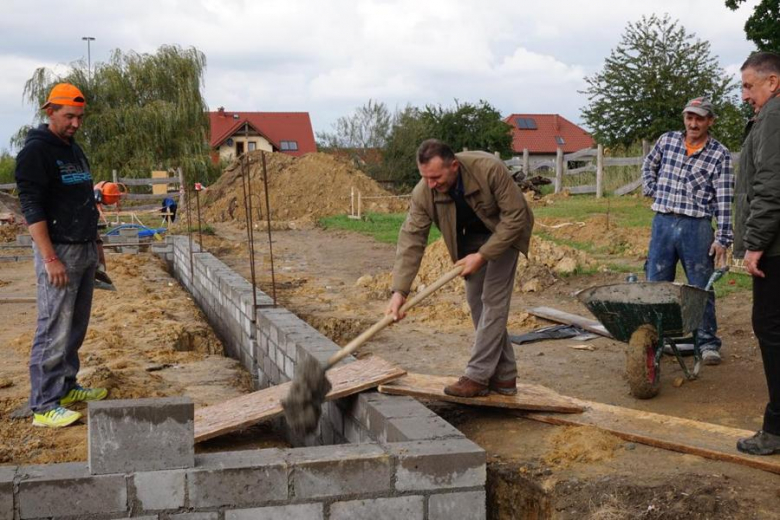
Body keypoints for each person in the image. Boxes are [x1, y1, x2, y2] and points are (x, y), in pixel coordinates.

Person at [386, 139, 534, 397]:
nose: (431, 184)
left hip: (505, 233)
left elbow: (516, 217)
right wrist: (400, 291)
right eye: (425, 178)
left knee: (493, 300)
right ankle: (505, 376)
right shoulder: (424, 191)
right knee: (476, 301)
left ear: (453, 165)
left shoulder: (489, 169)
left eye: (436, 177)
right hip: (471, 240)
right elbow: (412, 239)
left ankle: (477, 376)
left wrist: (484, 255)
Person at [15, 83, 109, 428]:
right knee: (54, 325)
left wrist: (95, 241)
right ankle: (43, 405)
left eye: (79, 117)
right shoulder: (36, 152)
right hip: (58, 250)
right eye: (69, 116)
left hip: (82, 246)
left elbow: (81, 197)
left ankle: (67, 386)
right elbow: (32, 208)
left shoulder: (72, 148)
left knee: (75, 325)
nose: (75, 123)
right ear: (49, 111)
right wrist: (50, 258)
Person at [641, 96, 734, 365]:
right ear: (684, 118)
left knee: (699, 286)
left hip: (697, 226)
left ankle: (706, 342)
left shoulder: (719, 154)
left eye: (700, 118)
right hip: (663, 222)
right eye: (689, 117)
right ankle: (657, 337)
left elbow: (724, 199)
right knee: (657, 283)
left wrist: (723, 238)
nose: (693, 123)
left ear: (710, 121)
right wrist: (651, 188)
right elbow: (649, 165)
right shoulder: (667, 141)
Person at [733, 51, 780, 455]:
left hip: (775, 251)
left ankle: (777, 429)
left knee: (771, 330)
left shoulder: (775, 116)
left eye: (749, 85)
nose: (745, 94)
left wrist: (755, 245)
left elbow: (770, 185)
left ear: (773, 83)